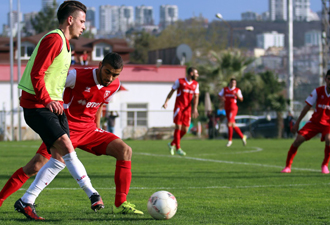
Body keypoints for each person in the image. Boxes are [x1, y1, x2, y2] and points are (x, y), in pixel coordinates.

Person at [0, 52, 143, 219]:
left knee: (125, 150)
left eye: (115, 75)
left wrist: (98, 128)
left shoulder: (114, 85)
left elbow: (99, 105)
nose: (110, 78)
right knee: (35, 165)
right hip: (65, 129)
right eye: (107, 72)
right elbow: (48, 83)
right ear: (100, 66)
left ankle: (120, 203)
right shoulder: (76, 75)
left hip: (89, 130)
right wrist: (29, 96)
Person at [13, 1, 102, 220]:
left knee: (59, 159)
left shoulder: (66, 44)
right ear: (70, 20)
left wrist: (56, 101)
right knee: (66, 146)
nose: (84, 26)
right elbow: (36, 73)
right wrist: (46, 98)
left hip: (53, 106)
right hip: (37, 106)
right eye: (82, 21)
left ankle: (26, 201)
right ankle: (92, 194)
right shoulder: (54, 39)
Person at [281, 70, 330, 174]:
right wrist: (297, 123)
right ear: (325, 79)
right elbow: (307, 107)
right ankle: (287, 166)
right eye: (329, 79)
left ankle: (325, 165)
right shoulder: (318, 91)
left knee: (329, 139)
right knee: (298, 140)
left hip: (328, 124)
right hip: (315, 122)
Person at [162, 67, 199, 156]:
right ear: (191, 73)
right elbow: (172, 91)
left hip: (188, 109)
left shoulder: (195, 84)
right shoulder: (180, 81)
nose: (197, 75)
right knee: (178, 127)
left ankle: (172, 144)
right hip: (179, 107)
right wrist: (166, 101)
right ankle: (178, 148)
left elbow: (196, 97)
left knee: (185, 130)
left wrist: (195, 108)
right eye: (196, 73)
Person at [218, 78, 247, 147]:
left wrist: (237, 95)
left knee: (229, 123)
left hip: (233, 108)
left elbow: (241, 99)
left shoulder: (237, 90)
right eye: (232, 83)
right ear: (230, 83)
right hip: (227, 108)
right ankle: (242, 137)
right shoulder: (225, 89)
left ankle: (230, 141)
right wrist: (221, 98)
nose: (233, 84)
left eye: (235, 83)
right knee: (233, 124)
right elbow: (219, 95)